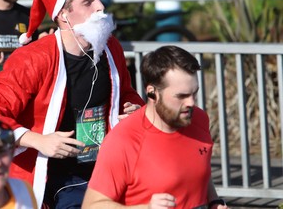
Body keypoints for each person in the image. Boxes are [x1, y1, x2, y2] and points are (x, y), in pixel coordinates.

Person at [0, 0, 145, 208]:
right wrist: (38, 140)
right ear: (64, 15)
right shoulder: (33, 59)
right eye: (88, 2)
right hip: (51, 174)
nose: (100, 6)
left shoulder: (110, 47)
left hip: (106, 167)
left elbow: (125, 92)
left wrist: (134, 109)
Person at [82, 45, 229, 209]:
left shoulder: (199, 119)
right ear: (152, 92)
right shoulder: (123, 141)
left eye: (194, 93)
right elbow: (91, 206)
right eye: (181, 96)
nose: (191, 103)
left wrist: (214, 201)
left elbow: (199, 170)